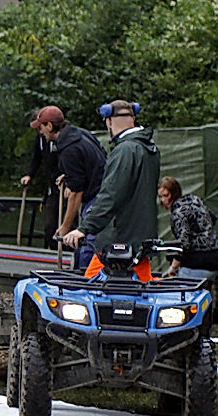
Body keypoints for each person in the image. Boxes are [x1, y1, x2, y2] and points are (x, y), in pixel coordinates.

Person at [64, 100, 160, 281]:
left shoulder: (125, 150)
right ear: (134, 118)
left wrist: (84, 228)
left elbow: (111, 194)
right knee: (143, 290)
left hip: (119, 242)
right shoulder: (148, 148)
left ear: (108, 121)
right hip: (139, 241)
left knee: (91, 286)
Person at [30, 105, 106, 270]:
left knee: (87, 245)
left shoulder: (69, 149)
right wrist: (70, 177)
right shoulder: (80, 134)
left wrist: (65, 227)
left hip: (96, 199)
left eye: (41, 128)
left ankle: (86, 286)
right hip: (103, 191)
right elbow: (97, 161)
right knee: (81, 247)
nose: (40, 133)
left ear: (50, 126)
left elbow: (76, 194)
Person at [157, 176, 218, 275]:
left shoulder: (178, 213)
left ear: (174, 193)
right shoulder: (195, 201)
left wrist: (173, 267)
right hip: (217, 258)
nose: (163, 200)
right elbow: (213, 218)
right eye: (160, 197)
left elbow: (184, 244)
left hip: (199, 262)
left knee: (180, 285)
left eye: (166, 195)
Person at [20, 108, 61, 248]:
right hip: (51, 185)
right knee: (50, 224)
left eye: (40, 128)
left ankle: (68, 253)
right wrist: (30, 174)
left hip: (65, 184)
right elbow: (36, 158)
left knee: (66, 221)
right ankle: (52, 249)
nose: (40, 132)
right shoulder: (40, 139)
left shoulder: (60, 139)